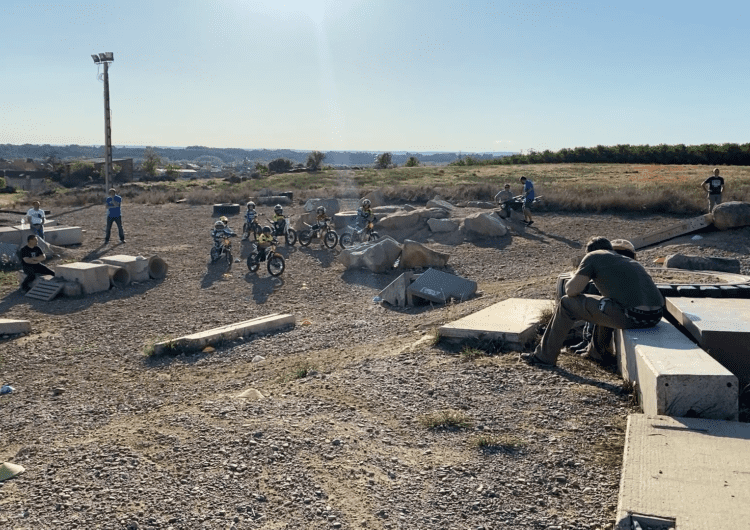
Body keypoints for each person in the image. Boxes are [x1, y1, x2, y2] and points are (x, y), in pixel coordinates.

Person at [521, 236, 663, 367]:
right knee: (605, 302)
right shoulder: (627, 260)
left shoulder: (593, 256)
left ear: (588, 252)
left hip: (631, 317)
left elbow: (571, 291)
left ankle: (543, 357)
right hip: (655, 317)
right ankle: (597, 353)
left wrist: (580, 273)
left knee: (566, 303)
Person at [567, 239, 638, 355]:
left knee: (602, 304)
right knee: (595, 295)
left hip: (627, 308)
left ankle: (592, 344)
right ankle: (587, 339)